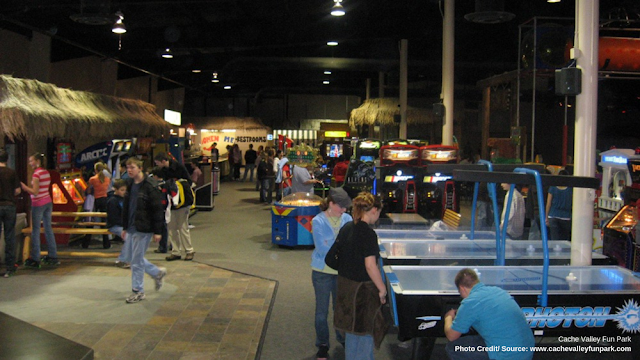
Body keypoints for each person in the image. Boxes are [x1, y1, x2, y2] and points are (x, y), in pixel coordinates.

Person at [332, 192, 388, 360]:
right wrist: (382, 289)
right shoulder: (369, 234)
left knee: (351, 333)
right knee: (364, 334)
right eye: (378, 213)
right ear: (374, 210)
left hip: (346, 288)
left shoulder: (347, 228)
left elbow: (334, 256)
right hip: (362, 293)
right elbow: (370, 266)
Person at [444, 268, 534, 360]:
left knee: (453, 348)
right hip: (527, 350)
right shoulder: (498, 291)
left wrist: (448, 317)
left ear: (462, 288)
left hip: (507, 355)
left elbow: (451, 336)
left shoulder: (469, 302)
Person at [311, 188, 353, 360]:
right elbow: (322, 248)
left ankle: (342, 338)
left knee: (340, 309)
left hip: (341, 272)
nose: (343, 210)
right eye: (340, 207)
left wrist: (336, 247)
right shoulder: (318, 221)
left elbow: (350, 245)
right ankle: (322, 344)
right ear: (331, 204)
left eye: (345, 207)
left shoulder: (348, 219)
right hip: (321, 272)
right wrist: (341, 250)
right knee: (321, 312)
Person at [121, 158, 167, 303]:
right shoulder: (129, 184)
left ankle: (138, 291)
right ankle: (156, 272)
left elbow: (157, 210)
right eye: (127, 167)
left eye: (132, 167)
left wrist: (158, 231)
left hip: (144, 228)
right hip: (132, 226)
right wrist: (124, 227)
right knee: (131, 258)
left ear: (140, 168)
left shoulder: (150, 186)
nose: (129, 170)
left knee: (135, 261)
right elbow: (127, 207)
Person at [154, 153, 195, 261]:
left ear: (163, 161)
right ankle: (176, 251)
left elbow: (189, 181)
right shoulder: (163, 171)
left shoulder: (179, 167)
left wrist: (175, 187)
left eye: (158, 163)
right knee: (171, 228)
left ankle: (189, 250)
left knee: (182, 227)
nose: (157, 165)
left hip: (182, 202)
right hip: (170, 202)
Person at [21, 153, 59, 267]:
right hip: (48, 202)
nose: (29, 163)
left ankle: (35, 258)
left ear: (37, 161)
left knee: (36, 230)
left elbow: (35, 192)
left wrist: (24, 187)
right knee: (48, 229)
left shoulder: (36, 174)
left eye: (31, 161)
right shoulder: (46, 172)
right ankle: (53, 255)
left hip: (38, 203)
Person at [0, 149, 21, 277]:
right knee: (9, 236)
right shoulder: (12, 173)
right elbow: (18, 190)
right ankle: (10, 267)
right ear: (7, 160)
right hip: (9, 206)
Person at [84, 162, 112, 249]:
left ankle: (86, 243)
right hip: (104, 199)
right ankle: (106, 243)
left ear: (95, 170)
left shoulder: (92, 179)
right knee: (104, 222)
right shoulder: (107, 179)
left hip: (94, 201)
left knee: (91, 221)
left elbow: (88, 190)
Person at [545, 170, 573, 240]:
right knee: (564, 239)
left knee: (554, 239)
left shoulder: (552, 188)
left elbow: (548, 203)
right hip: (566, 217)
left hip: (553, 215)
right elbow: (572, 204)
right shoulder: (570, 189)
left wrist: (546, 217)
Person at [108, 179, 129, 268]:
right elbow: (113, 218)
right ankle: (122, 260)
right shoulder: (112, 201)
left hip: (124, 225)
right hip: (115, 225)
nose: (124, 192)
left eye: (125, 190)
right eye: (122, 190)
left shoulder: (125, 199)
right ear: (115, 189)